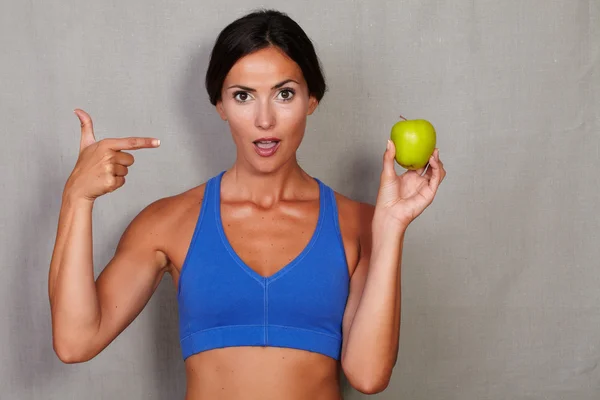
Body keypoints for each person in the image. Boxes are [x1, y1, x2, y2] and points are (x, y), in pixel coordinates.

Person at [48, 8, 446, 400]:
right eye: (243, 96)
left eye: (284, 94)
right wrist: (76, 198)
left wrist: (391, 227)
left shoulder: (360, 223)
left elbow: (368, 376)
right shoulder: (167, 222)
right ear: (220, 105)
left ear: (312, 99)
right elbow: (75, 341)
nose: (265, 120)